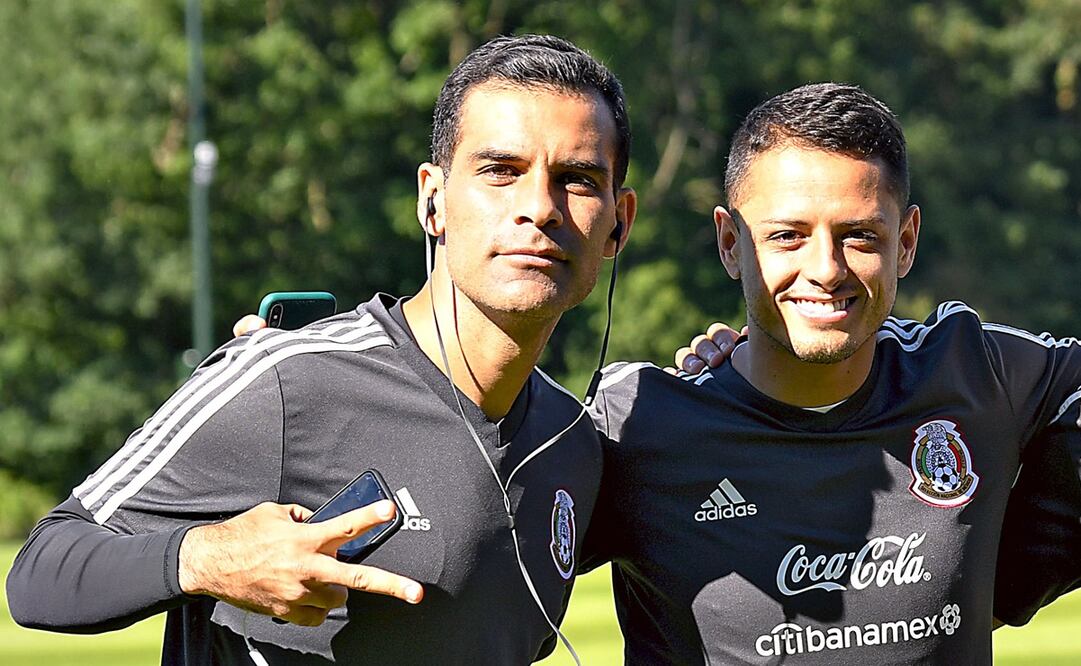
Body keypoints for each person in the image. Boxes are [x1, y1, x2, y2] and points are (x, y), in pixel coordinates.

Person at [6, 34, 637, 664]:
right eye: (500, 171)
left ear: (619, 223)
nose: (539, 208)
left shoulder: (573, 444)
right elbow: (42, 569)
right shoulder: (285, 382)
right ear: (433, 201)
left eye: (577, 180)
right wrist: (210, 559)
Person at [581, 82, 1081, 663]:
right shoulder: (635, 425)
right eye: (787, 236)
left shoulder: (976, 375)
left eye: (859, 236)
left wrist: (1012, 582)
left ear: (905, 243)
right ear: (730, 243)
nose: (825, 269)